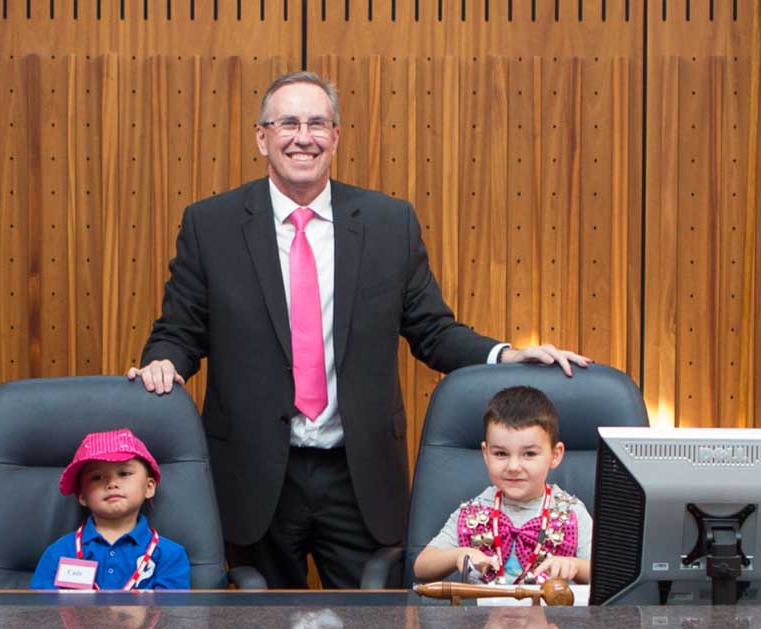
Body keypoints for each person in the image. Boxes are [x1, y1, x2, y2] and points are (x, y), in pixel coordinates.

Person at [127, 70, 589, 588]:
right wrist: (162, 358)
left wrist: (506, 356)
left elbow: (433, 331)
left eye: (318, 123)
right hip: (253, 475)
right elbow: (180, 329)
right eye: (288, 123)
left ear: (336, 136)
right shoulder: (210, 225)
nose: (304, 137)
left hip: (359, 474)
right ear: (262, 137)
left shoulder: (389, 223)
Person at [415, 386, 591, 591]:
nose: (513, 467)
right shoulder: (475, 510)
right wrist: (459, 554)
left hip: (552, 620)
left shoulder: (572, 512)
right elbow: (421, 566)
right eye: (500, 454)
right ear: (485, 453)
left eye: (529, 454)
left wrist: (576, 567)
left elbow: (607, 575)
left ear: (555, 455)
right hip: (483, 620)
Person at [31, 429, 192, 591]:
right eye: (97, 477)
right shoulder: (59, 552)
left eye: (124, 473)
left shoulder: (170, 555)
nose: (111, 483)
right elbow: (42, 611)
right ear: (82, 496)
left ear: (149, 487)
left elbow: (172, 614)